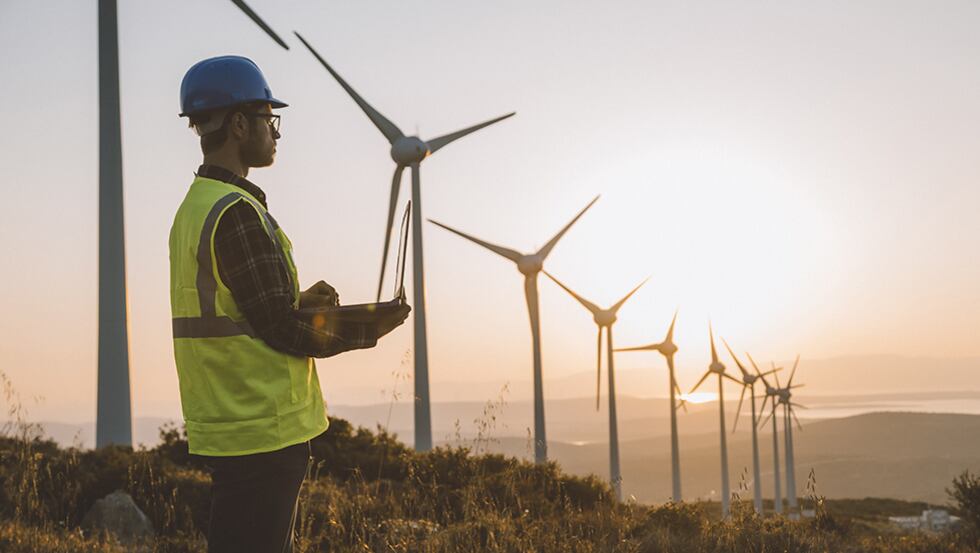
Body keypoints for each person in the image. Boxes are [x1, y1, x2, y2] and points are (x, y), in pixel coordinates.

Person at [169, 55, 410, 553]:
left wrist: (296, 298)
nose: (275, 133)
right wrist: (367, 326)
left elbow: (232, 307)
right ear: (239, 124)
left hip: (230, 423)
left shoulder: (197, 207)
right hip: (263, 427)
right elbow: (278, 328)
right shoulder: (235, 213)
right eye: (267, 119)